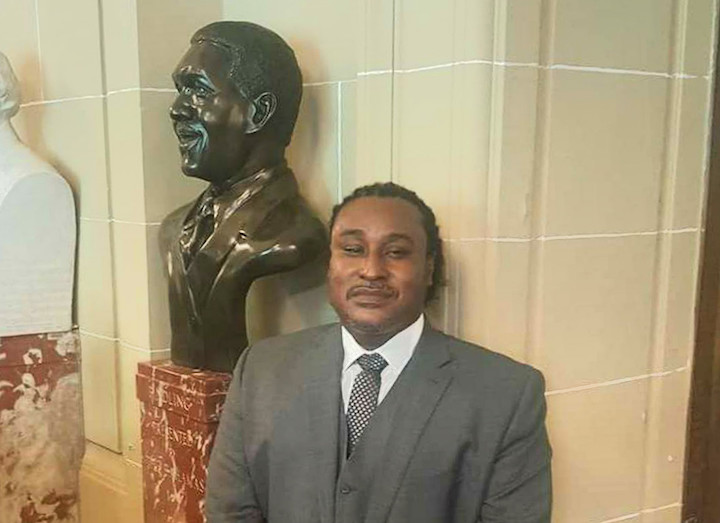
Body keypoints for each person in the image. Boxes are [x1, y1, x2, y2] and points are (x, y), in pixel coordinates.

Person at [206, 182, 552, 522]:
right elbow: (230, 511)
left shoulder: (506, 395)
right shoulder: (261, 370)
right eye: (353, 249)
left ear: (429, 267)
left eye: (396, 252)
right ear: (331, 263)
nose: (371, 271)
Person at [159, 21, 326, 372]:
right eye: (180, 90)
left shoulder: (292, 233)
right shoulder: (175, 228)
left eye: (199, 90)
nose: (177, 109)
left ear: (258, 112)